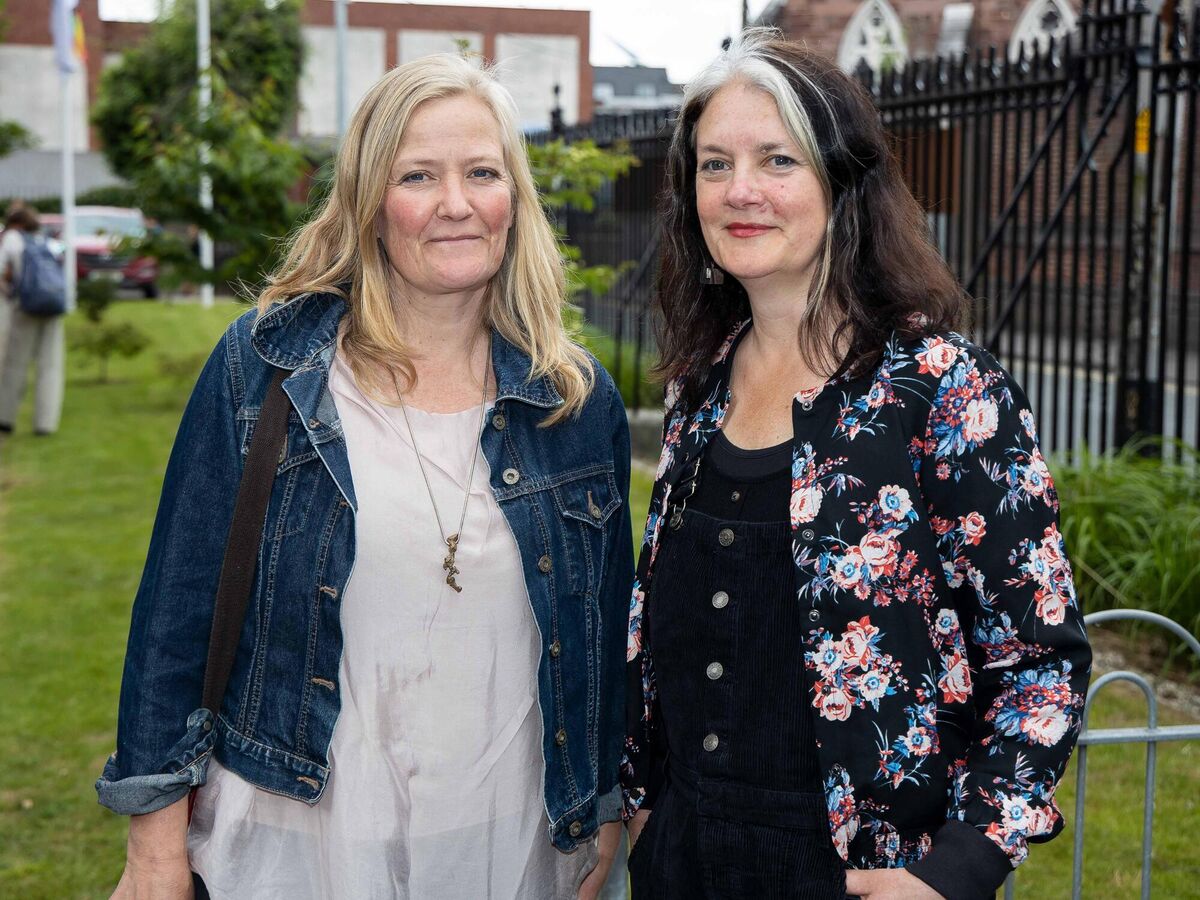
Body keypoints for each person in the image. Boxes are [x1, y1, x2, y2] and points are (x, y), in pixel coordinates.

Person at [96, 54, 633, 899]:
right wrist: (154, 843)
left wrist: (602, 807)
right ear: (371, 204)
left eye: (482, 173)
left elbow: (602, 632)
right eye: (419, 175)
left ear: (514, 201)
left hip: (504, 836)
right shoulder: (267, 367)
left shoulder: (572, 400)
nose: (456, 204)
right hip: (299, 837)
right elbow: (176, 615)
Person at [621, 29, 1092, 900]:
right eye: (715, 165)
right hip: (684, 864)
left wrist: (957, 871)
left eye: (777, 161)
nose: (741, 191)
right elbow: (663, 641)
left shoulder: (942, 392)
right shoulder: (701, 388)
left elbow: (1040, 665)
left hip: (858, 877)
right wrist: (648, 805)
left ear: (844, 184)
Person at [0, 202, 66, 435]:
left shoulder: (12, 239)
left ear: (15, 223)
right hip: (53, 308)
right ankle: (45, 423)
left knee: (14, 364)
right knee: (50, 366)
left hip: (24, 309)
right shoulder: (48, 240)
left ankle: (5, 417)